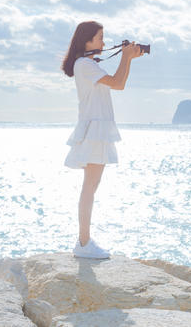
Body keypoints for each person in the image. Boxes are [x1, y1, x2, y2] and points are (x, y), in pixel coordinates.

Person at [61, 20, 143, 259]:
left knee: (91, 187)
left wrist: (128, 59)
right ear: (86, 41)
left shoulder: (88, 64)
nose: (104, 43)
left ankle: (84, 242)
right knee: (89, 188)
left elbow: (120, 84)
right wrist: (126, 57)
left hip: (97, 129)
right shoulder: (85, 64)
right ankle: (84, 243)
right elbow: (117, 84)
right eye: (99, 38)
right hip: (95, 130)